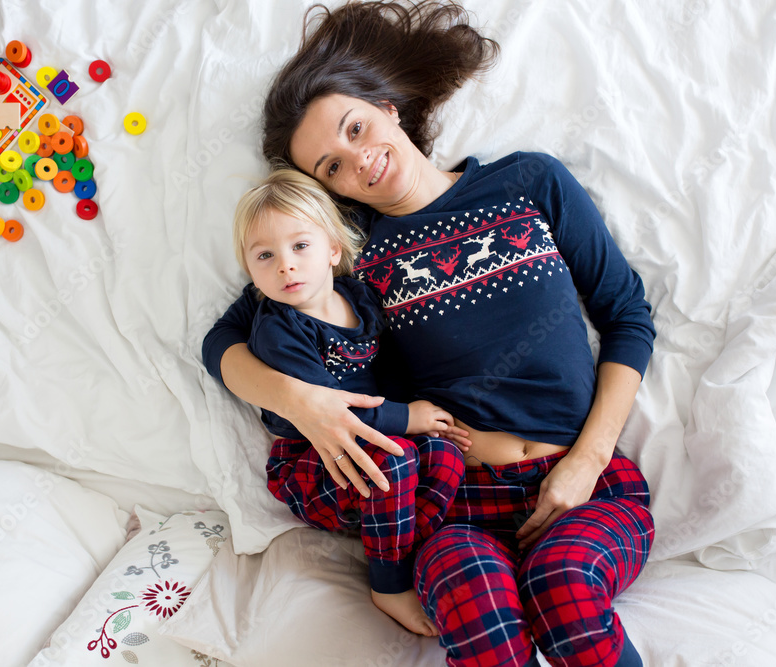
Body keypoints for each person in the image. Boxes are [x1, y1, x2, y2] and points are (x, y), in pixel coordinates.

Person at [203, 2, 656, 666]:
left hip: (587, 483)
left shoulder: (529, 182)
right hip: (456, 509)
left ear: (387, 107)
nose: (358, 160)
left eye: (356, 128)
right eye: (331, 166)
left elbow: (627, 316)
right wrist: (302, 402)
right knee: (476, 612)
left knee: (561, 584)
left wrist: (585, 461)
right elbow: (222, 341)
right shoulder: (345, 261)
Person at [232, 166, 470, 636]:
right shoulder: (279, 330)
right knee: (393, 463)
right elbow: (332, 412)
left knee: (443, 455)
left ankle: (403, 540)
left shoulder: (357, 299)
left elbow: (389, 369)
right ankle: (388, 583)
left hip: (371, 438)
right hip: (314, 459)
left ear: (333, 250)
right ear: (252, 274)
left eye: (300, 246)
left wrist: (419, 410)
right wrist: (409, 418)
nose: (286, 265)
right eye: (265, 256)